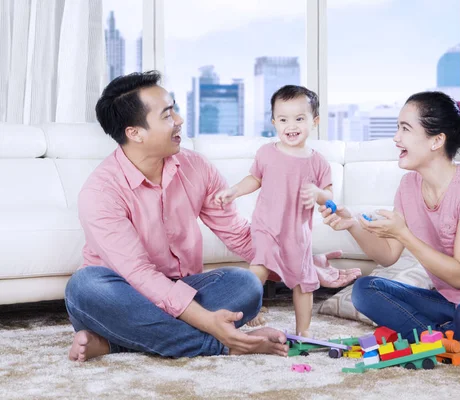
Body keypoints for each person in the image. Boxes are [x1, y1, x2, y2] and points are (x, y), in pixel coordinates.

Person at [65, 71, 291, 361]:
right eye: (167, 115)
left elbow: (238, 234)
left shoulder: (195, 166)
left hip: (183, 291)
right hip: (123, 297)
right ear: (135, 133)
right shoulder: (100, 192)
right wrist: (210, 324)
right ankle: (224, 344)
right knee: (85, 287)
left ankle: (115, 344)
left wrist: (298, 265)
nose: (180, 121)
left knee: (246, 285)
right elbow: (140, 275)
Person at [319, 91, 460, 360]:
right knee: (365, 290)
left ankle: (441, 334)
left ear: (437, 140)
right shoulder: (408, 186)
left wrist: (404, 233)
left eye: (405, 128)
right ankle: (447, 340)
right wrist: (352, 225)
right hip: (452, 303)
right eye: (397, 128)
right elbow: (388, 256)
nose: (396, 138)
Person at [215, 85, 360, 336]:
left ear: (314, 121)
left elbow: (329, 197)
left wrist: (319, 194)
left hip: (297, 234)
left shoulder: (318, 162)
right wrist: (234, 191)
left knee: (303, 282)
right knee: (259, 267)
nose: (290, 126)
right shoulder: (266, 153)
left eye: (299, 119)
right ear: (274, 122)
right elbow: (254, 178)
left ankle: (303, 331)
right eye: (283, 119)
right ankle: (249, 310)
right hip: (266, 226)